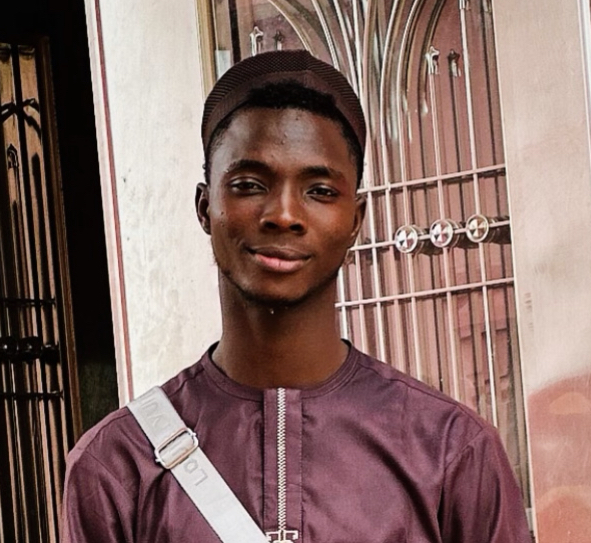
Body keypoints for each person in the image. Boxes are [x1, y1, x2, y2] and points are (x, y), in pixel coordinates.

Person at [61, 50, 532, 542]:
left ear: (355, 220)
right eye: (249, 185)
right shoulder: (117, 465)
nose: (284, 214)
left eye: (320, 191)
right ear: (205, 207)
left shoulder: (450, 450)